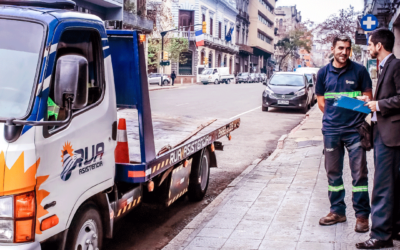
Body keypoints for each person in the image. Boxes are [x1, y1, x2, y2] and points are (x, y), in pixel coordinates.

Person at [315, 35, 373, 232]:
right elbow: (321, 102)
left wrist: (347, 107)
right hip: (331, 131)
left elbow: (368, 101)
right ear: (332, 49)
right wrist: (335, 115)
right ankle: (337, 211)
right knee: (333, 174)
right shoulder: (323, 73)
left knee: (359, 175)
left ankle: (362, 216)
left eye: (347, 48)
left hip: (355, 130)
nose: (344, 52)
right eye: (340, 48)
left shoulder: (360, 71)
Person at [356, 29, 400, 249]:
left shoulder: (396, 65)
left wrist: (379, 105)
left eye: (370, 45)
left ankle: (381, 235)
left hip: (391, 136)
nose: (369, 48)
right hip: (385, 133)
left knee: (382, 186)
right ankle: (394, 228)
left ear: (379, 46)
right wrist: (371, 101)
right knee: (393, 184)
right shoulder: (384, 67)